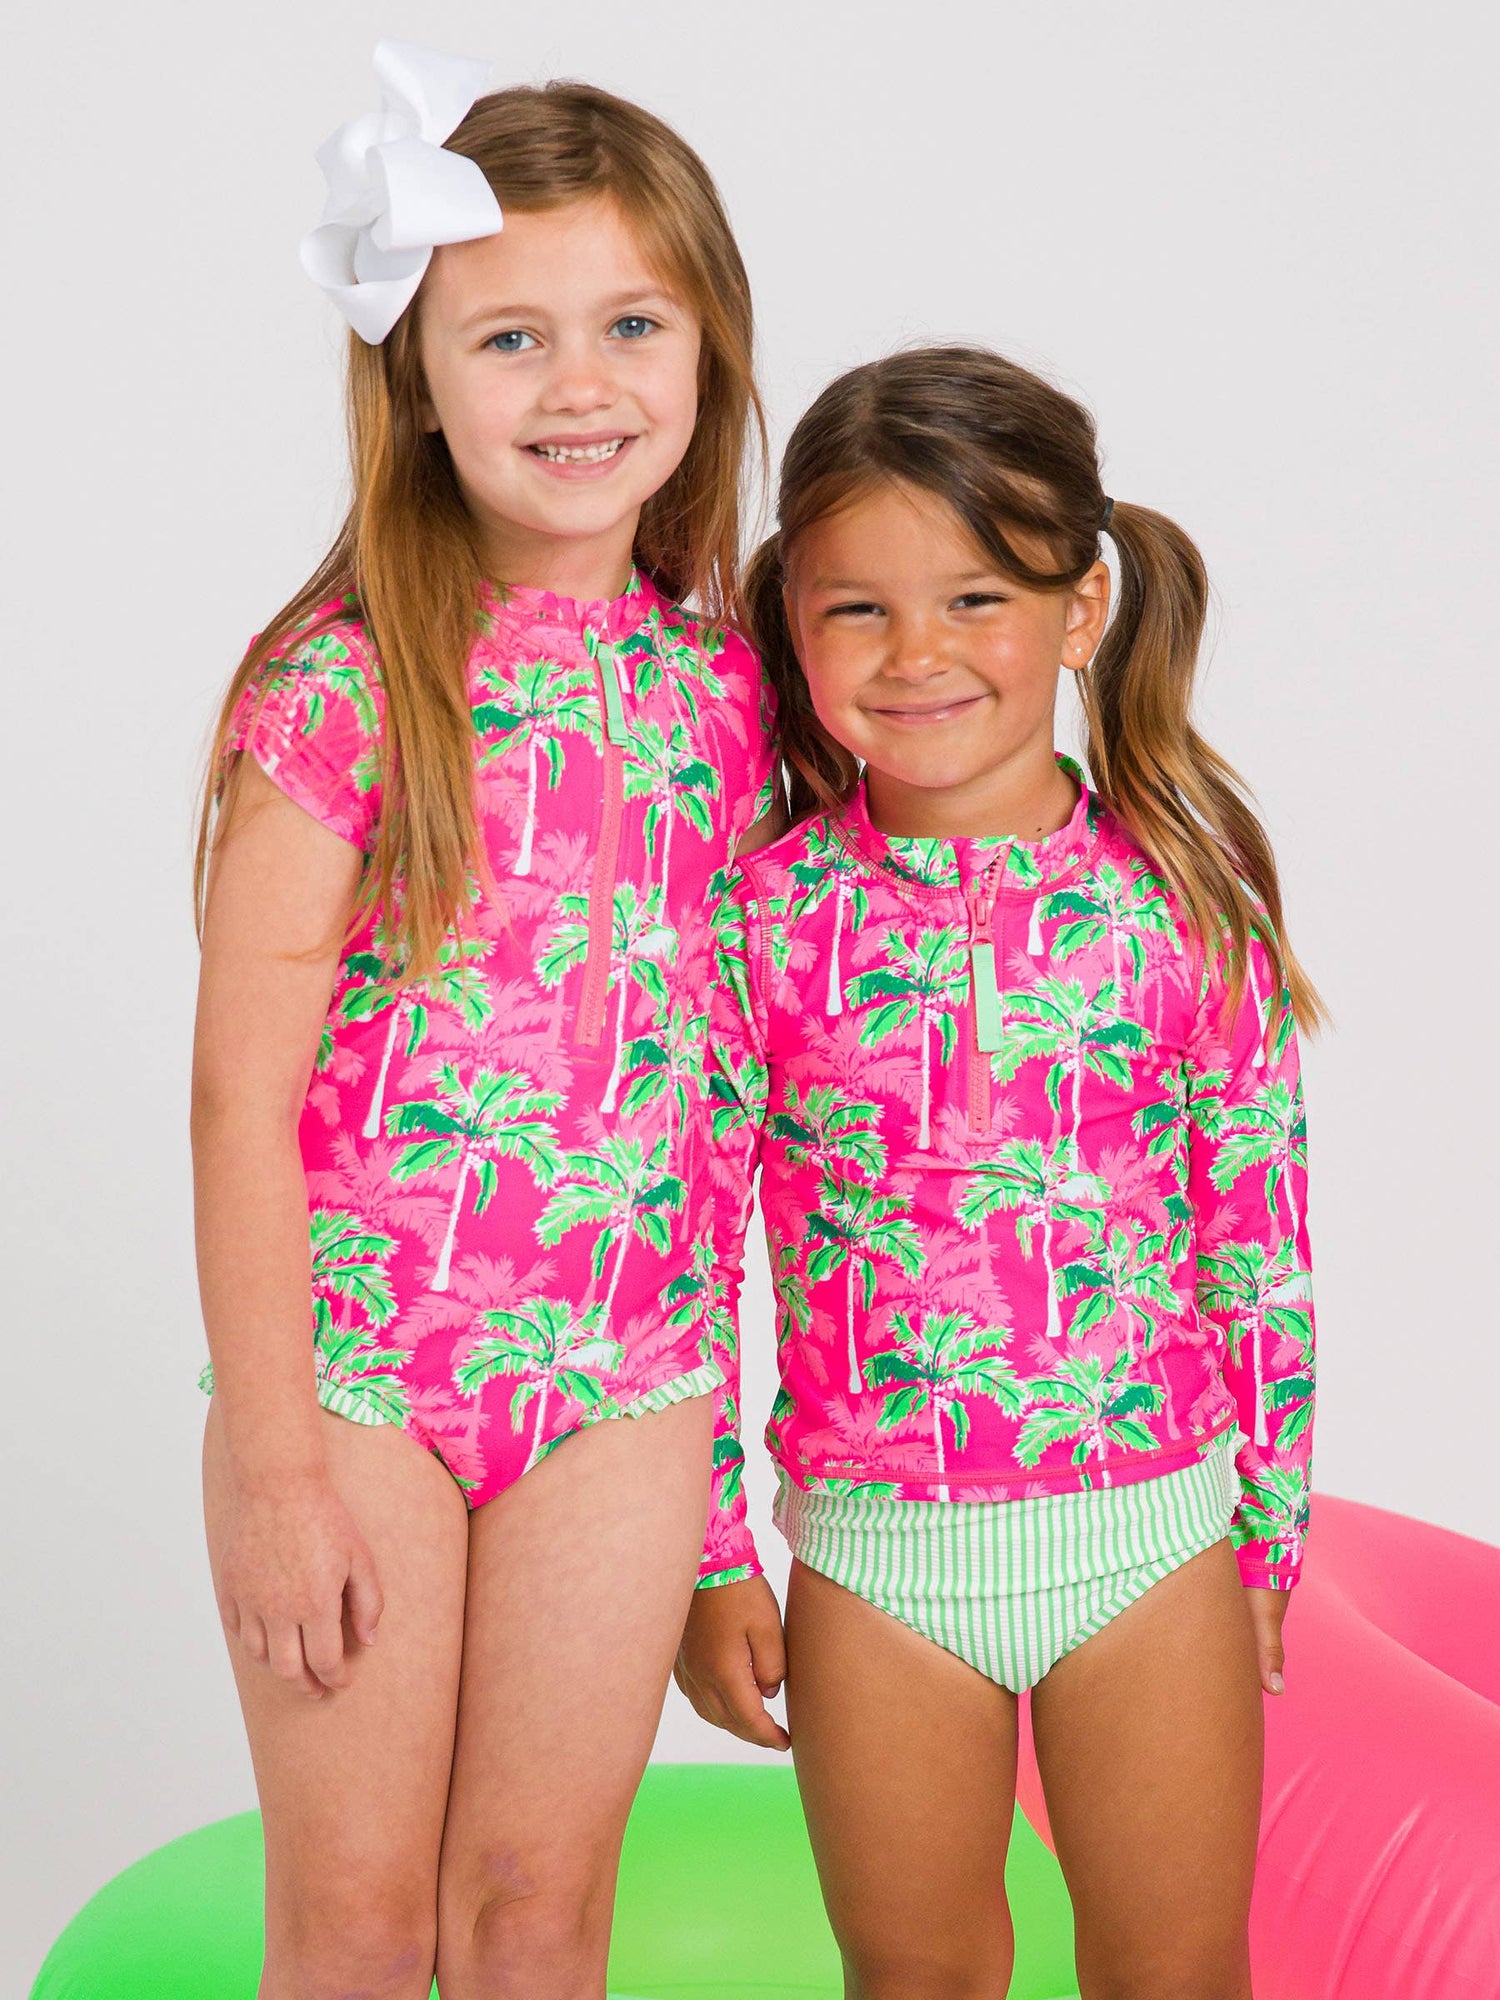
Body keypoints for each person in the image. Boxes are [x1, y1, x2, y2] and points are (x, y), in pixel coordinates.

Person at [190, 39, 775, 2000]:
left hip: (626, 1386)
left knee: (535, 1918)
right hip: (363, 1376)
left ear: (708, 352)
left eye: (630, 325)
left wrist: (717, 1533)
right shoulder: (343, 685)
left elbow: (721, 1112)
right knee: (359, 1926)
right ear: (418, 382)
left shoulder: (733, 696)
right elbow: (236, 1099)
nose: (579, 382)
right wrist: (277, 1474)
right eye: (510, 337)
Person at [676, 345, 1319, 1998]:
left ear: (1081, 607)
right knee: (917, 1979)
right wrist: (713, 1553)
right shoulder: (761, 919)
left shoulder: (1184, 888)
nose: (918, 655)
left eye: (975, 599)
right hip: (878, 1564)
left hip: (1150, 1545)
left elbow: (1257, 1232)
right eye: (858, 610)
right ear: (790, 620)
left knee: (1177, 1973)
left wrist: (1267, 1535)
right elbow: (688, 1261)